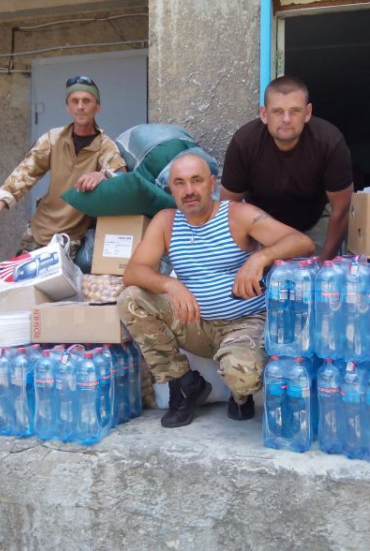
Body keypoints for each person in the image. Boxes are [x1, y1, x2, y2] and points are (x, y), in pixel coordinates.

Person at [117, 153, 315, 428]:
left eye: (196, 181)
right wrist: (171, 284)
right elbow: (133, 272)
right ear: (171, 189)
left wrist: (260, 258)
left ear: (212, 184)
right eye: (180, 183)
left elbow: (302, 242)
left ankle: (240, 395)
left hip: (244, 324)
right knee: (131, 299)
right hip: (195, 323)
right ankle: (185, 385)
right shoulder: (166, 221)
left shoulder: (237, 214)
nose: (189, 191)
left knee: (242, 375)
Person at [0, 76, 126, 256]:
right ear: (68, 107)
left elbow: (122, 181)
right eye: (75, 101)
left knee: (56, 284)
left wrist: (101, 176)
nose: (80, 106)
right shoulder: (53, 139)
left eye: (86, 101)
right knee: (22, 281)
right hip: (38, 230)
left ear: (97, 107)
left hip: (70, 239)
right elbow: (24, 173)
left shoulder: (105, 146)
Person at [220, 75, 353, 260]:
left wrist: (324, 264)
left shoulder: (329, 142)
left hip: (314, 221)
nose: (286, 119)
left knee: (314, 284)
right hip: (261, 227)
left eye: (295, 111)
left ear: (307, 113)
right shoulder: (244, 142)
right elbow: (228, 208)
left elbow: (342, 208)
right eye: (277, 111)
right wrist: (244, 259)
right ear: (264, 114)